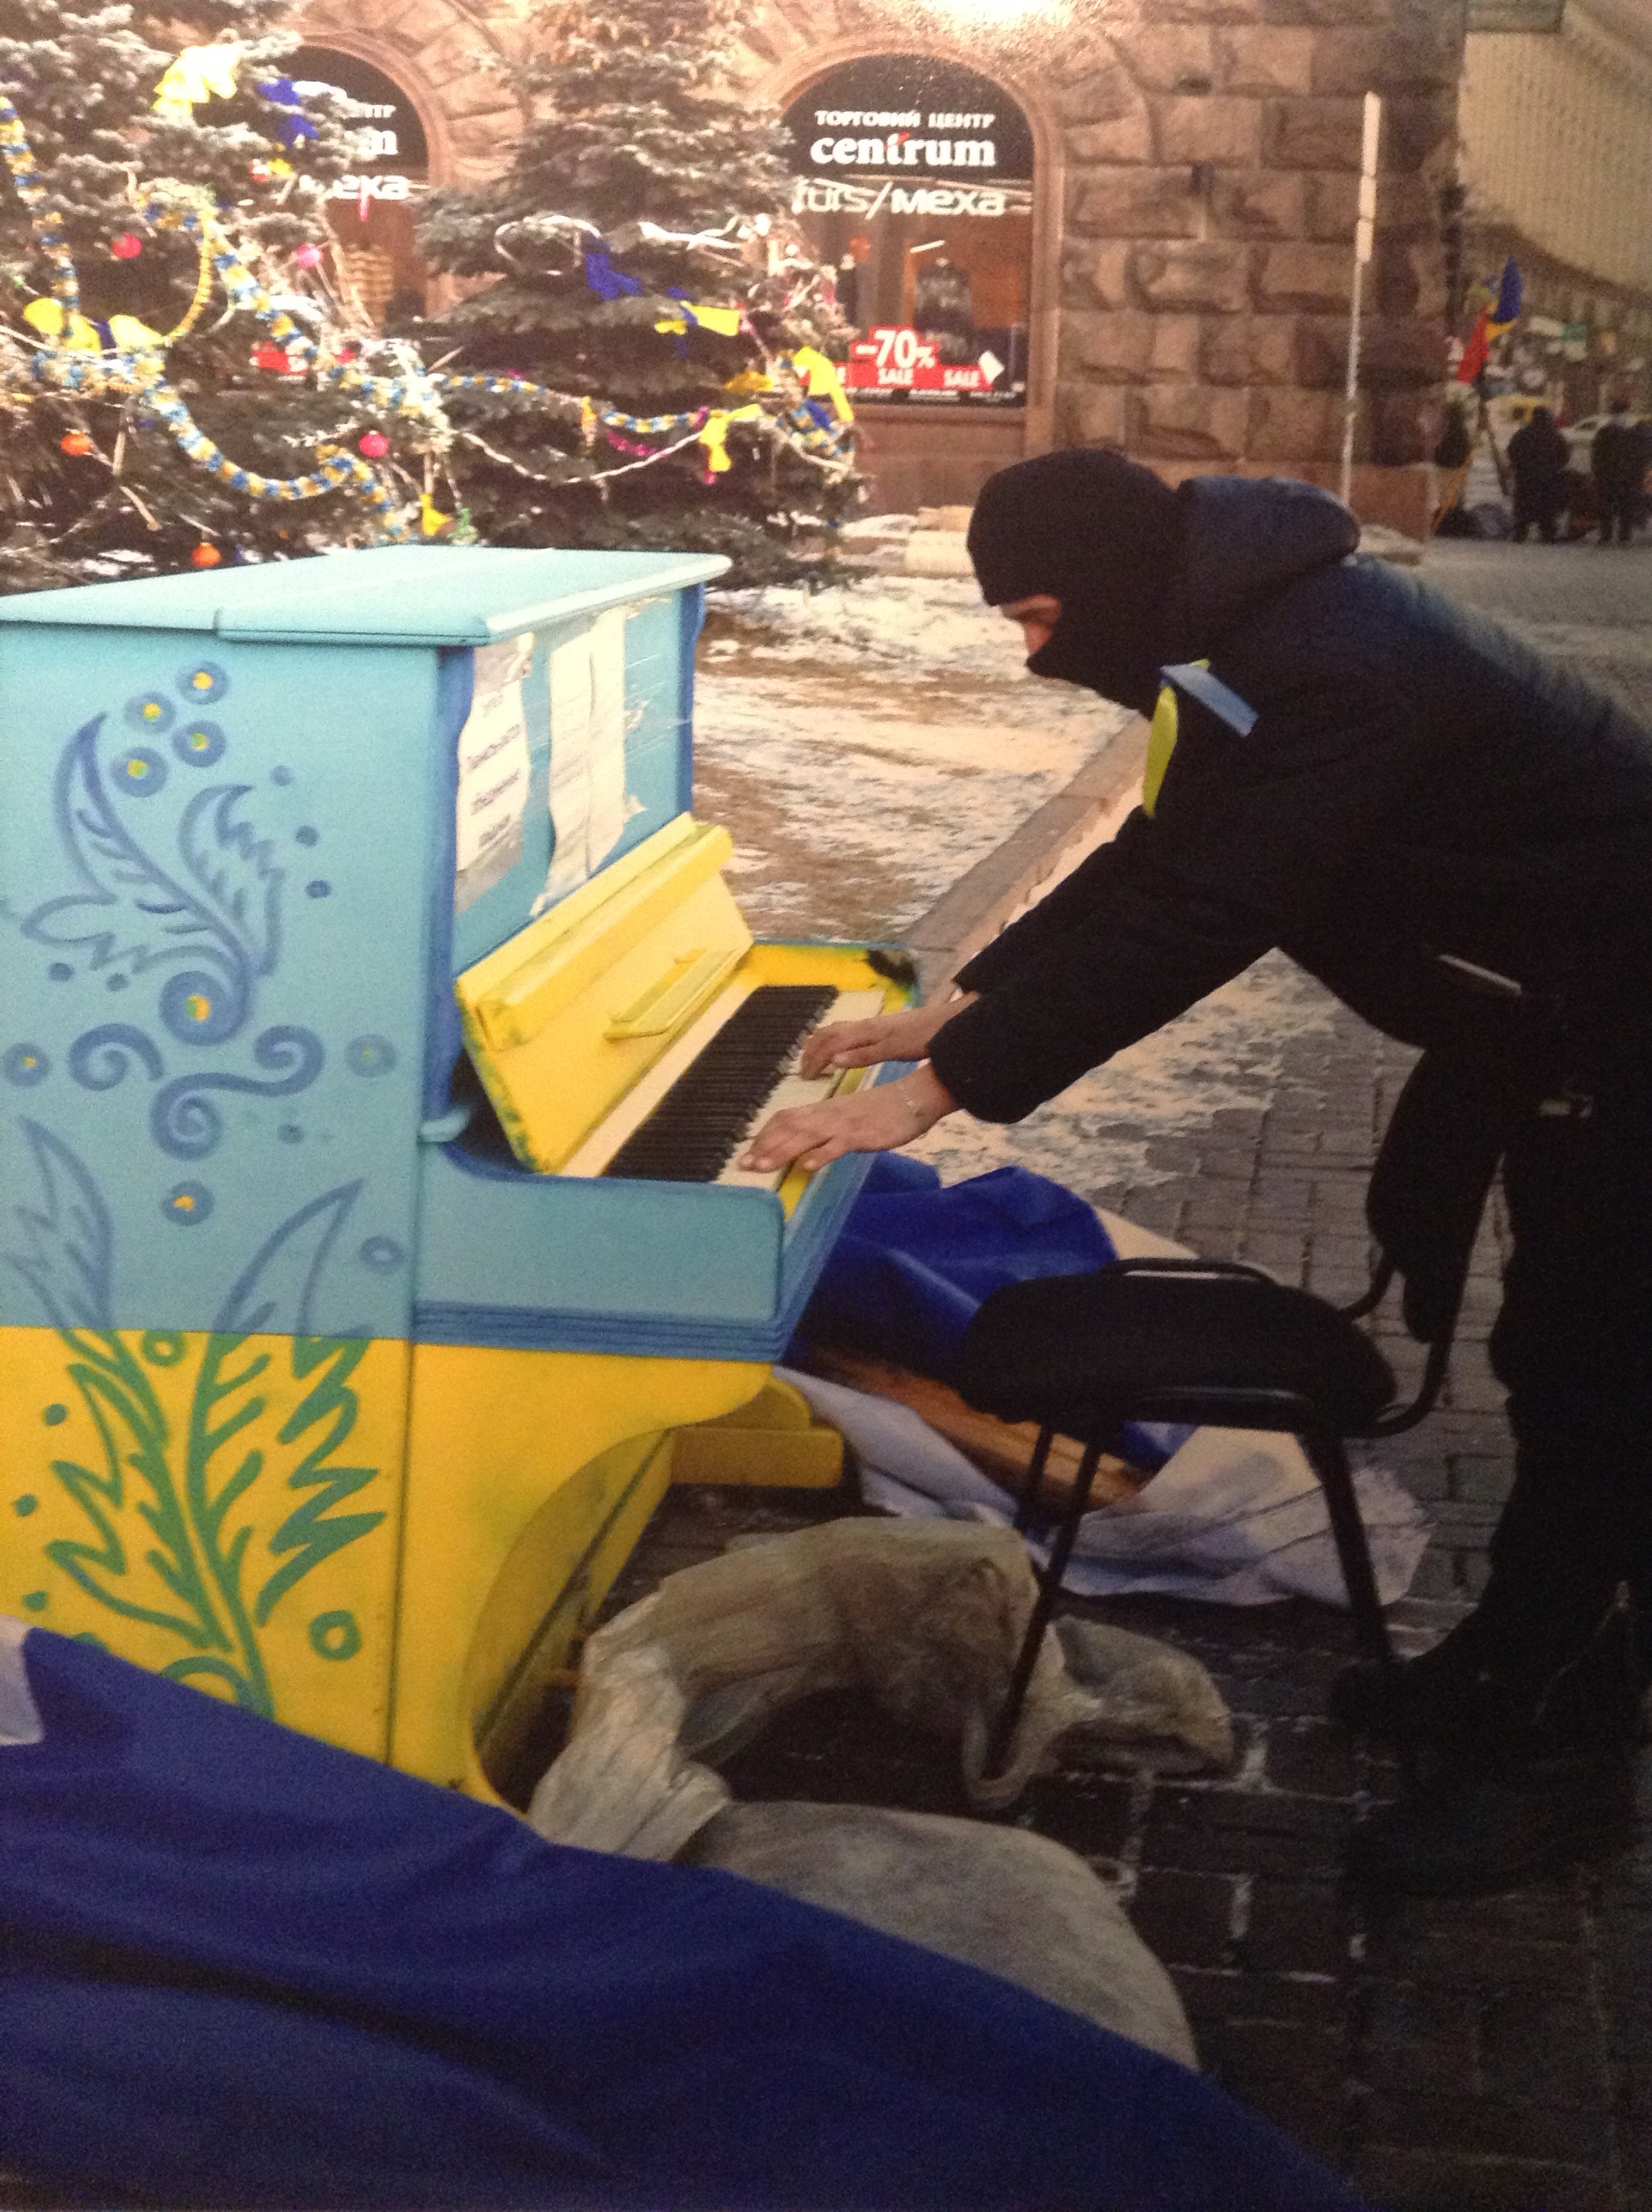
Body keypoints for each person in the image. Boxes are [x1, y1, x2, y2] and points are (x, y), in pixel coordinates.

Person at [742, 445, 1652, 1896]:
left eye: (1038, 617)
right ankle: (1513, 1660)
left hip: (1622, 1024)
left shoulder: (1331, 669)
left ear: (1110, 577)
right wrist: (960, 1009)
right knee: (1560, 1362)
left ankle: (1564, 1759)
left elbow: (1209, 908)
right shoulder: (1251, 638)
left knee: (1600, 1377)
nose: (1034, 654)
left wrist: (933, 1096)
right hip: (1567, 1024)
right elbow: (1166, 850)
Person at [1506, 405, 1570, 543]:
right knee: (1547, 507)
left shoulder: (1522, 434)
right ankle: (1547, 532)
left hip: (1525, 478)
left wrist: (1519, 467)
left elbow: (1512, 452)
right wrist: (1554, 467)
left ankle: (1521, 531)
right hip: (1548, 478)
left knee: (1523, 506)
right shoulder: (1554, 435)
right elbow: (1564, 455)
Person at [1590, 397, 1645, 544]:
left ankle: (1606, 534)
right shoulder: (1636, 430)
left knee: (1607, 505)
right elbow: (1643, 453)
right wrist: (1639, 470)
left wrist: (1597, 471)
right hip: (1630, 475)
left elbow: (1596, 454)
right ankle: (1624, 535)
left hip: (1608, 475)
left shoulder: (1605, 430)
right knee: (1627, 506)